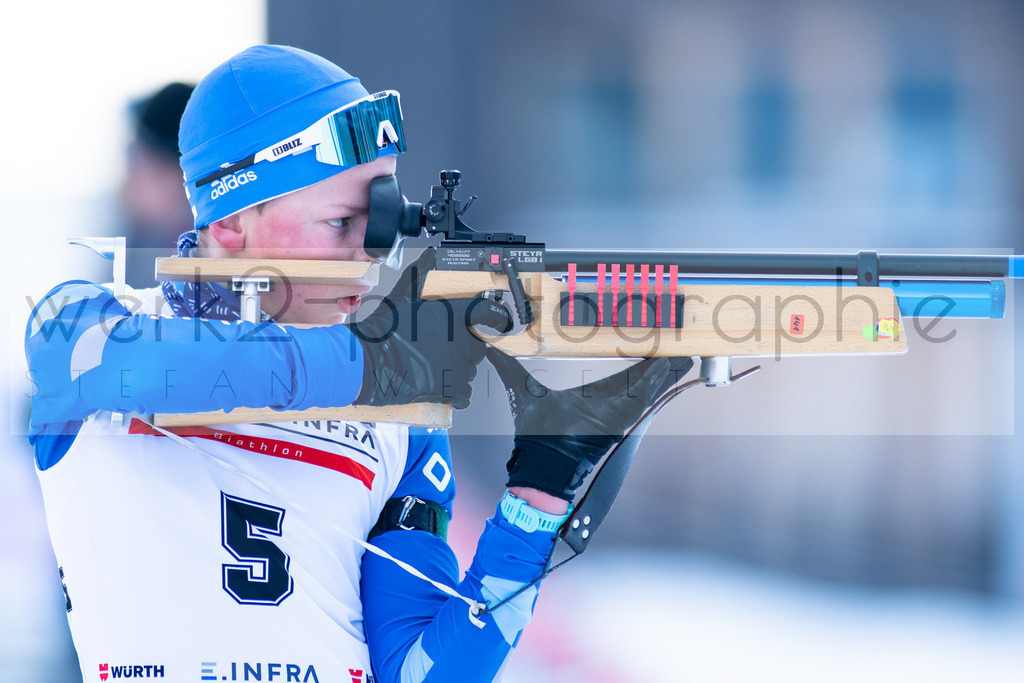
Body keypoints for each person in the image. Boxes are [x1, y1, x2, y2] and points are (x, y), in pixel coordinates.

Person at [25, 45, 690, 682]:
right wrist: (378, 363)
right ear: (230, 225)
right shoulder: (87, 325)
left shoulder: (401, 418)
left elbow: (421, 673)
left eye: (376, 225)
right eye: (342, 221)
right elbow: (138, 368)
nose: (368, 254)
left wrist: (536, 503)